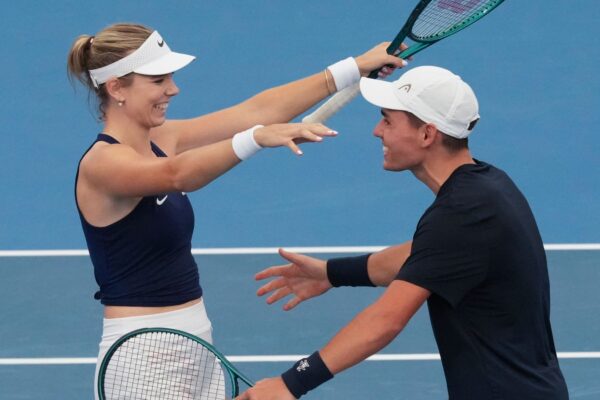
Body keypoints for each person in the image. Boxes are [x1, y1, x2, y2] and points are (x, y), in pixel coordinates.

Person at [66, 23, 406, 399]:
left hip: (197, 341)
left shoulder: (161, 139)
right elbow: (178, 175)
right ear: (116, 88)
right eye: (158, 80)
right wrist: (255, 138)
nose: (172, 89)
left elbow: (257, 110)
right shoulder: (102, 165)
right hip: (143, 356)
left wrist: (355, 67)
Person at [237, 66, 569, 399]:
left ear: (427, 134)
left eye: (388, 120)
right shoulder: (487, 187)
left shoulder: (460, 214)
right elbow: (421, 254)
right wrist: (331, 273)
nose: (377, 131)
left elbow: (385, 320)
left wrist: (291, 383)